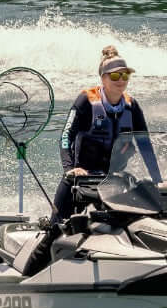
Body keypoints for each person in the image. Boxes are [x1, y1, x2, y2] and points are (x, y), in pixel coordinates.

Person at [49, 45, 148, 226]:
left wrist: (158, 180)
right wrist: (70, 169)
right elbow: (66, 136)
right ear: (103, 78)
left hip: (113, 180)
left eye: (125, 75)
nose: (121, 80)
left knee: (129, 223)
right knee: (57, 225)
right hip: (81, 177)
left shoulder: (131, 106)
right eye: (116, 76)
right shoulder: (86, 100)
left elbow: (145, 144)